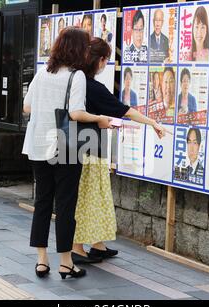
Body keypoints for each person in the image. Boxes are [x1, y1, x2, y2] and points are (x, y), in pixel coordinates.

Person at [22, 28, 112, 280]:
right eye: (85, 46)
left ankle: (41, 261)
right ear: (77, 49)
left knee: (42, 202)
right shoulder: (76, 77)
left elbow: (27, 107)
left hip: (38, 144)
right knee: (65, 204)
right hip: (64, 146)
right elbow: (75, 114)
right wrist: (100, 119)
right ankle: (65, 263)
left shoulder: (42, 73)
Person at [71, 37, 167, 264]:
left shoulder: (74, 81)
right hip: (89, 150)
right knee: (87, 199)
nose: (106, 64)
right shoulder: (91, 86)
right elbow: (126, 111)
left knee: (95, 197)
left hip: (76, 148)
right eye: (106, 60)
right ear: (100, 60)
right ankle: (77, 248)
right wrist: (152, 122)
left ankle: (96, 244)